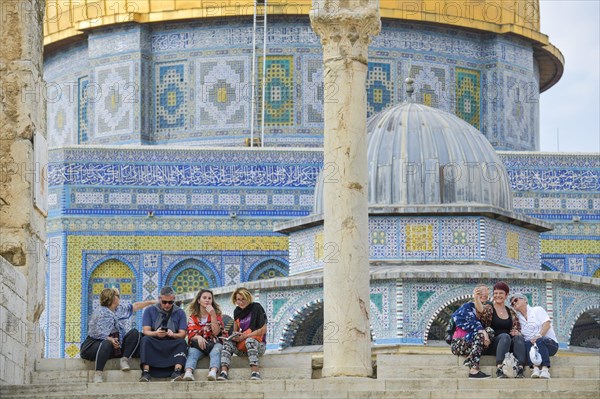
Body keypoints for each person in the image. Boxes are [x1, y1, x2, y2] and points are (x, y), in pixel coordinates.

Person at [80, 288, 155, 383]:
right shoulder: (100, 312)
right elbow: (95, 333)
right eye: (117, 296)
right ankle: (98, 373)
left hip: (115, 344)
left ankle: (124, 359)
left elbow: (134, 306)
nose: (119, 298)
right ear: (112, 298)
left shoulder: (118, 309)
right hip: (95, 345)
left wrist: (151, 302)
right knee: (106, 343)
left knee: (135, 333)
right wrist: (110, 340)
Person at [477, 281, 527, 378]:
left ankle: (520, 368)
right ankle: (500, 368)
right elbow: (479, 317)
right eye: (495, 293)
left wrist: (516, 331)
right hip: (492, 344)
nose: (498, 295)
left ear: (506, 295)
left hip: (508, 344)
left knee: (519, 338)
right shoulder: (488, 308)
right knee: (505, 337)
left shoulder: (511, 311)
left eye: (501, 293)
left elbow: (517, 326)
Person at [139, 286, 188, 382]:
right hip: (155, 341)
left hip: (172, 341)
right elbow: (146, 331)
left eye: (170, 302)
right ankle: (146, 372)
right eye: (164, 302)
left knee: (182, 343)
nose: (167, 305)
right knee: (145, 340)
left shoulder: (180, 312)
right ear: (159, 299)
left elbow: (182, 334)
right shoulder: (150, 310)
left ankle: (177, 372)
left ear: (174, 299)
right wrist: (156, 333)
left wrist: (172, 334)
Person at [218, 287, 267, 381]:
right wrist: (232, 337)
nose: (241, 302)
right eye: (238, 300)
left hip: (258, 345)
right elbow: (236, 331)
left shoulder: (256, 307)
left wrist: (246, 336)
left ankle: (255, 372)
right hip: (242, 347)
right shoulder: (237, 311)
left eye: (243, 299)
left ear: (248, 297)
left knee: (250, 340)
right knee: (227, 343)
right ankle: (224, 372)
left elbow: (264, 330)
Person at [510, 293, 559, 379]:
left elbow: (547, 324)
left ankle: (545, 369)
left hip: (549, 344)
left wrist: (538, 336)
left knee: (539, 340)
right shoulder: (518, 319)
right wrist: (518, 334)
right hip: (534, 347)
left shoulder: (537, 310)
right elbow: (526, 335)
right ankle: (535, 368)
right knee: (526, 343)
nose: (514, 303)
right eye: (512, 303)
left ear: (525, 300)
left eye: (516, 300)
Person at [450, 284, 495, 378]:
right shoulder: (467, 307)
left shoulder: (486, 310)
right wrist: (482, 331)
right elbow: (470, 322)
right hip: (459, 343)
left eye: (486, 295)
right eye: (481, 293)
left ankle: (470, 358)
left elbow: (486, 322)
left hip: (473, 343)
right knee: (481, 334)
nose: (484, 296)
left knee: (489, 331)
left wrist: (484, 332)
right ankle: (473, 371)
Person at [183, 289, 226, 381]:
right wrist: (198, 337)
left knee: (216, 351)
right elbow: (190, 332)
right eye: (204, 298)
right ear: (199, 300)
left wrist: (213, 315)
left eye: (209, 298)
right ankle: (188, 372)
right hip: (199, 345)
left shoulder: (216, 315)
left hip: (214, 343)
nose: (207, 300)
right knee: (192, 352)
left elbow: (216, 332)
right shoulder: (193, 317)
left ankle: (213, 372)